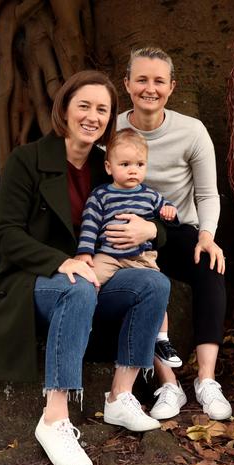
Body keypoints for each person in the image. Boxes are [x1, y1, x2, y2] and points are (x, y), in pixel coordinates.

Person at [0, 70, 171, 465]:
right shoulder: (27, 160)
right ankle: (55, 419)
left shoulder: (107, 165)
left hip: (96, 278)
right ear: (64, 109)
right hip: (31, 280)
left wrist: (154, 230)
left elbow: (150, 210)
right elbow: (5, 235)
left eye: (102, 109)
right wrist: (61, 261)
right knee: (77, 287)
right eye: (84, 106)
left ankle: (120, 397)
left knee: (154, 283)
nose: (93, 116)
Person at [114, 47, 232, 421]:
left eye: (159, 81)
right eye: (142, 80)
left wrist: (207, 235)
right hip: (132, 233)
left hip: (180, 229)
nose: (150, 88)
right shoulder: (112, 129)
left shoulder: (191, 131)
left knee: (211, 269)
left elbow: (207, 193)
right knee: (144, 283)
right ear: (127, 84)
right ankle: (169, 384)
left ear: (172, 87)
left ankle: (207, 381)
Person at [75, 128, 183, 368]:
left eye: (139, 164)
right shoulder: (100, 195)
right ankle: (84, 320)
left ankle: (162, 340)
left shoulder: (150, 196)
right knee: (90, 281)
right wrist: (84, 253)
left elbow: (170, 215)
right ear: (108, 167)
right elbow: (90, 225)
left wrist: (169, 212)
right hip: (109, 256)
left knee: (158, 291)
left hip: (141, 256)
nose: (133, 170)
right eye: (125, 164)